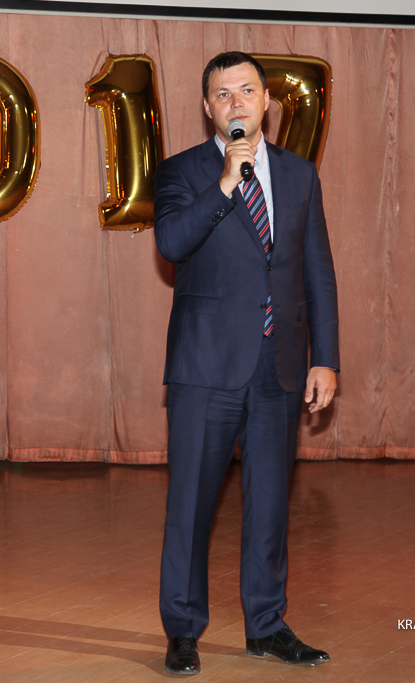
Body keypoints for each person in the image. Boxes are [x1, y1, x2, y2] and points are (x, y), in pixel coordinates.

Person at [154, 51, 340, 675]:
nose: (237, 102)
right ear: (208, 107)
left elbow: (317, 270)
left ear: (267, 101)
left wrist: (325, 358)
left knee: (270, 507)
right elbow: (172, 242)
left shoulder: (299, 174)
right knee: (191, 504)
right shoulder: (182, 172)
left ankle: (267, 625)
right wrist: (226, 184)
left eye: (247, 90)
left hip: (278, 366)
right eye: (223, 94)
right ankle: (183, 630)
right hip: (205, 367)